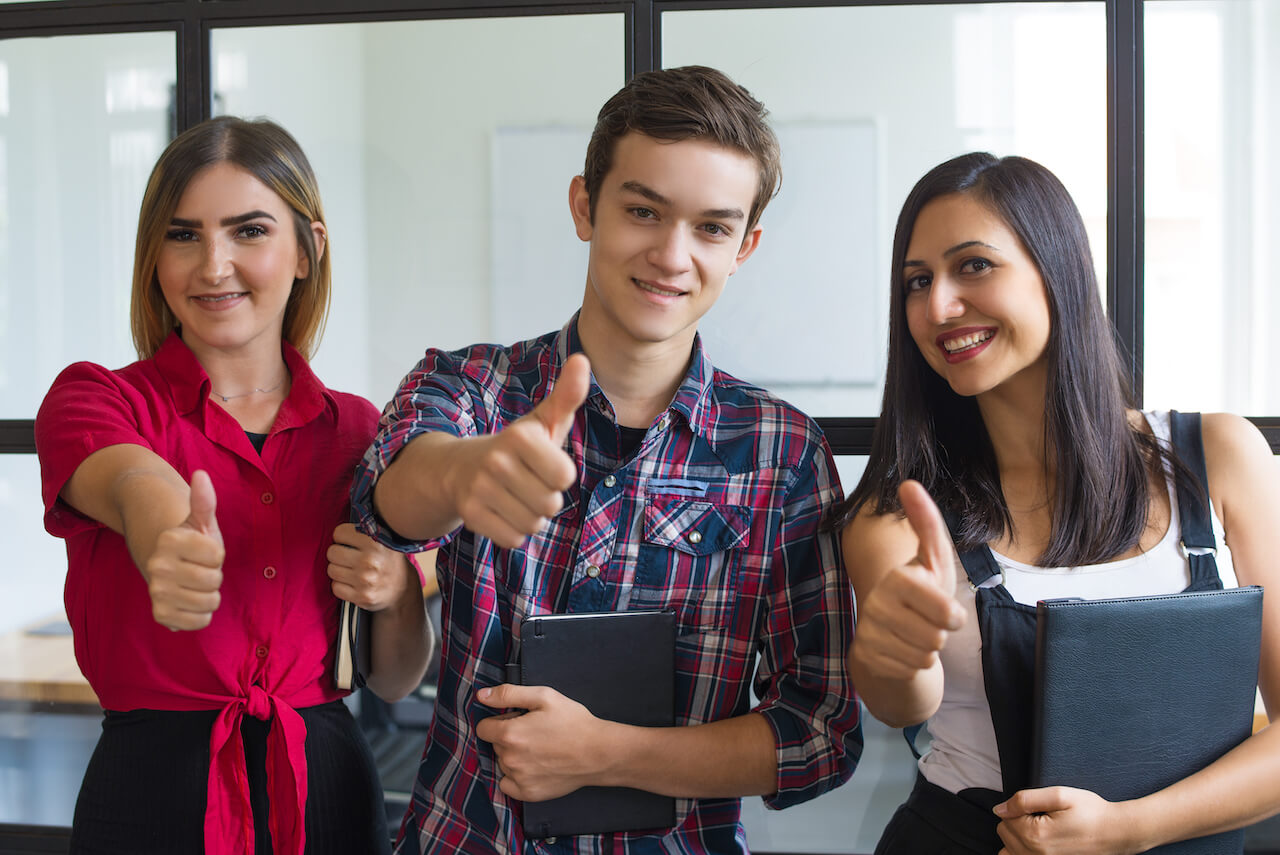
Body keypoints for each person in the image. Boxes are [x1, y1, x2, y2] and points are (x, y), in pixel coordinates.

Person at [350, 65, 861, 854]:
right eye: (643, 210)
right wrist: (466, 474)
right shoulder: (472, 388)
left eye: (712, 228)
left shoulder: (783, 453)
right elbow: (387, 500)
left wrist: (611, 753)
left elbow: (821, 734)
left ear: (745, 248)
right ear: (585, 206)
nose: (671, 254)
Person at [835, 151, 1280, 854]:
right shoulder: (896, 515)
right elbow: (901, 701)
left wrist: (1128, 829)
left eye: (973, 265)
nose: (938, 306)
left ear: (1058, 269)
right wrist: (890, 651)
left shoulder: (1217, 454)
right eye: (917, 282)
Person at [35, 116, 433, 855]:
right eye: (183, 235)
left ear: (307, 250)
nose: (213, 266)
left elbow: (393, 678)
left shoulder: (358, 429)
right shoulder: (94, 397)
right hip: (151, 794)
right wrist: (166, 535)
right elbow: (130, 478)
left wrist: (398, 591)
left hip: (329, 791)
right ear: (153, 256)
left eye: (248, 230)